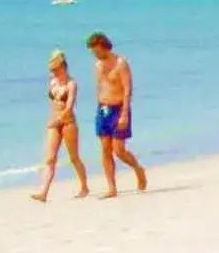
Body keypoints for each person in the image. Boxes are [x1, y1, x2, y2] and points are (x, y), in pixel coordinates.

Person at [87, 32, 148, 198]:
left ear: (105, 47)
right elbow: (100, 88)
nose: (95, 55)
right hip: (103, 109)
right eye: (93, 52)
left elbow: (128, 90)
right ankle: (111, 188)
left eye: (97, 51)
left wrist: (124, 115)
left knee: (119, 150)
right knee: (105, 150)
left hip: (119, 108)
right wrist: (98, 110)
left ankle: (138, 168)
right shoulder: (97, 65)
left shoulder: (121, 63)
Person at [31, 50, 89, 202]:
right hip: (53, 122)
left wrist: (61, 117)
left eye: (56, 69)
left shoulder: (71, 84)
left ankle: (84, 186)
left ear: (63, 67)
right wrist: (55, 119)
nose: (53, 72)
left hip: (68, 122)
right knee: (50, 159)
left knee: (74, 157)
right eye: (52, 69)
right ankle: (43, 192)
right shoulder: (53, 81)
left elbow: (69, 106)